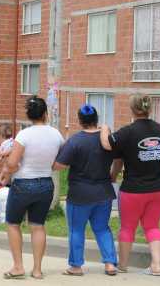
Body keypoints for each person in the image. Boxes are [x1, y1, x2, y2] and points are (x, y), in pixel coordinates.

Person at [100, 94, 160, 276]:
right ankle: (156, 266)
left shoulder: (127, 132)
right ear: (149, 109)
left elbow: (107, 145)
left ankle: (123, 265)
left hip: (133, 189)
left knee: (127, 227)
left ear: (132, 109)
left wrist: (105, 128)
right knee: (152, 226)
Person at [0, 96, 65, 280]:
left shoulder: (24, 135)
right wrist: (49, 166)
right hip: (45, 184)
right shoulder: (56, 134)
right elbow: (62, 161)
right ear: (45, 114)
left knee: (13, 224)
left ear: (28, 115)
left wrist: (10, 168)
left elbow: (12, 163)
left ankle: (18, 267)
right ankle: (37, 270)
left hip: (23, 185)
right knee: (38, 226)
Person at [53, 104, 118, 276]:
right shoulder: (107, 139)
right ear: (96, 120)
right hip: (104, 192)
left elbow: (59, 166)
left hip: (79, 194)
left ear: (80, 121)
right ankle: (110, 264)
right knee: (103, 228)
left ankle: (76, 266)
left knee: (76, 229)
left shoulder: (75, 141)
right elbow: (118, 158)